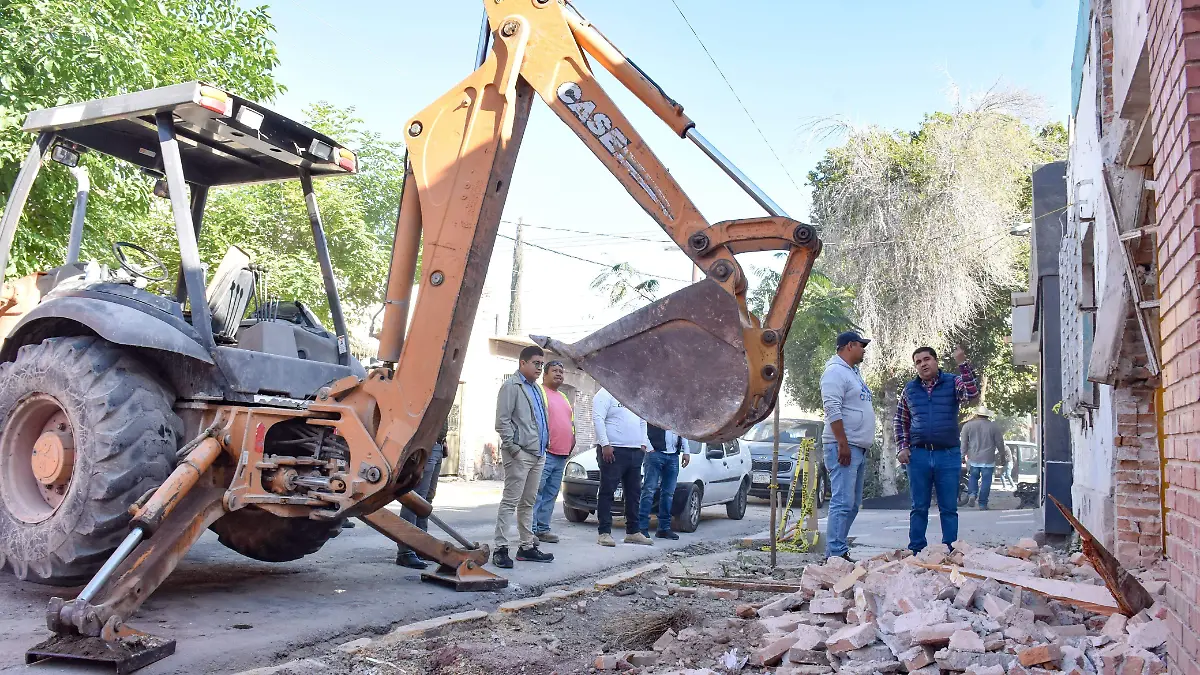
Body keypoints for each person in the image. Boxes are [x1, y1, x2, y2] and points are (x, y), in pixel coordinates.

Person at [894, 345, 979, 554]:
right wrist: (902, 447)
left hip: (947, 454)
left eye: (926, 359)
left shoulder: (952, 382)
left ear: (935, 361)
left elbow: (972, 394)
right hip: (918, 455)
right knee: (919, 506)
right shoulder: (910, 389)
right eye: (918, 362)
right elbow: (901, 420)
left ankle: (950, 550)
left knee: (948, 507)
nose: (923, 364)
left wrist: (962, 363)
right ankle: (916, 550)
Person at [492, 345, 555, 568]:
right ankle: (500, 548)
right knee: (510, 501)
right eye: (536, 363)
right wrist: (514, 449)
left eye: (541, 364)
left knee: (528, 502)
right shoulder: (511, 386)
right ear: (522, 363)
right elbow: (502, 421)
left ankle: (526, 547)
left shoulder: (536, 389)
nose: (539, 368)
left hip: (538, 454)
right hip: (520, 454)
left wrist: (545, 445)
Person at [820, 331, 875, 562]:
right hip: (843, 446)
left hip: (856, 446)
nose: (864, 350)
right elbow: (832, 408)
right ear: (850, 345)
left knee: (851, 505)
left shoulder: (852, 373)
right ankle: (835, 555)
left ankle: (838, 550)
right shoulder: (835, 372)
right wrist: (842, 443)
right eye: (861, 346)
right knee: (842, 502)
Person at [592, 387, 653, 547]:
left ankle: (633, 532)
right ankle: (604, 532)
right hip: (613, 451)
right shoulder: (604, 393)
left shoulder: (634, 394)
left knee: (634, 493)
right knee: (607, 492)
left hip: (635, 451)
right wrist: (605, 444)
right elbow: (598, 419)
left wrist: (643, 444)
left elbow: (642, 420)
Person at [531, 360, 576, 543]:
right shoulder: (539, 392)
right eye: (555, 371)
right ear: (545, 374)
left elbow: (570, 422)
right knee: (536, 492)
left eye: (561, 371)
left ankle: (543, 529)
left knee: (550, 494)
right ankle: (530, 531)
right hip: (546, 453)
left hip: (562, 454)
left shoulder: (563, 396)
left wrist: (573, 438)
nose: (559, 374)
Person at [395, 423, 448, 569]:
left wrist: (443, 440)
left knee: (427, 499)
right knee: (415, 499)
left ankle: (421, 546)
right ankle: (406, 550)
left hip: (437, 445)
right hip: (426, 444)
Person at [639, 423, 684, 540]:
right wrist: (649, 448)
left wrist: (686, 451)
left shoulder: (678, 414)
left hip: (673, 455)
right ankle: (642, 527)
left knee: (668, 493)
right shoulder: (655, 412)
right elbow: (642, 426)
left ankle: (664, 528)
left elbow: (683, 430)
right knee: (649, 490)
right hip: (655, 453)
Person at [960, 407, 1007, 510]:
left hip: (973, 459)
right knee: (986, 481)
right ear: (987, 415)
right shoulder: (994, 427)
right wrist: (1003, 457)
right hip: (988, 459)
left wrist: (962, 456)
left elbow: (964, 443)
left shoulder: (968, 426)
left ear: (977, 414)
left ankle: (972, 494)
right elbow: (1000, 443)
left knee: (973, 477)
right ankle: (982, 504)